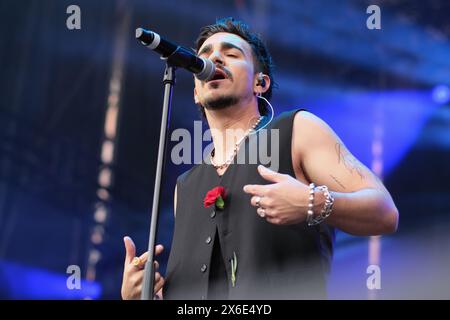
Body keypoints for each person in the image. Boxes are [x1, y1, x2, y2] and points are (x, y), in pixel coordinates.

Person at [121, 17, 398, 300]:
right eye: (205, 55)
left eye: (231, 54)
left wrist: (311, 202)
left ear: (260, 83)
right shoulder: (186, 186)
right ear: (195, 92)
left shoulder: (298, 130)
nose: (214, 57)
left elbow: (384, 212)